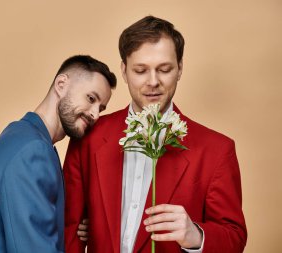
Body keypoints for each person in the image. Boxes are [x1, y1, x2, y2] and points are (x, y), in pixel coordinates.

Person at [64, 16, 247, 253]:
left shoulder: (217, 150)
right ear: (124, 70)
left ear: (180, 69)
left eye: (164, 69)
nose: (153, 82)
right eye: (140, 70)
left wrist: (196, 235)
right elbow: (69, 228)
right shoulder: (89, 135)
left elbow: (234, 237)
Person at [0, 55, 117, 253]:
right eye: (91, 99)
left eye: (101, 108)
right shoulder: (34, 151)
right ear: (61, 84)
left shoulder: (20, 134)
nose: (95, 114)